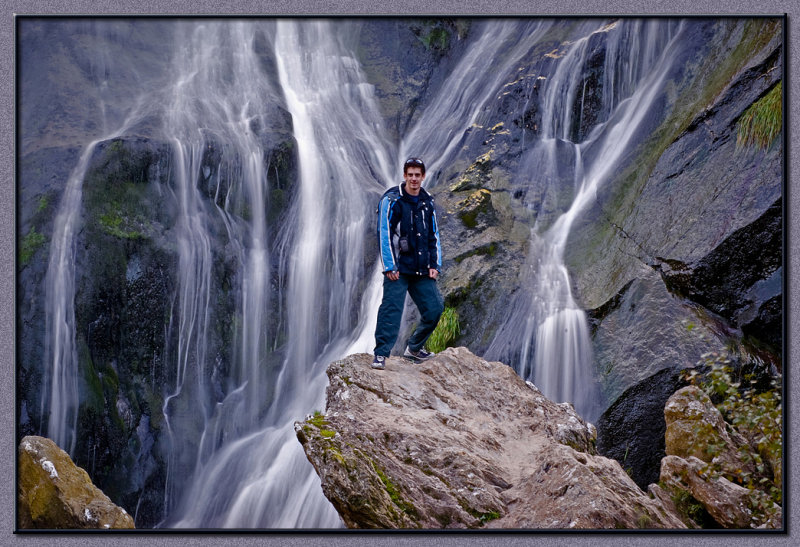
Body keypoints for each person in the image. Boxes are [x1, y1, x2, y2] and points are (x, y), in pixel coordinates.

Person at [372, 157, 444, 370]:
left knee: (435, 308)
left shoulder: (427, 201)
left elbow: (434, 235)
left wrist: (435, 265)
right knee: (391, 310)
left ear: (423, 176)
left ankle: (414, 349)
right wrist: (389, 266)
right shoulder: (392, 200)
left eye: (417, 175)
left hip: (421, 268)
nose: (413, 178)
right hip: (398, 269)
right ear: (404, 176)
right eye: (410, 174)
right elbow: (383, 233)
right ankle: (380, 354)